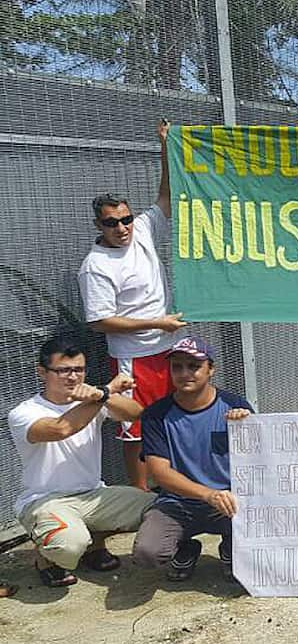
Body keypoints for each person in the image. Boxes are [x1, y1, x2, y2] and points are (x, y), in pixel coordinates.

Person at [77, 121, 188, 489]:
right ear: (99, 225)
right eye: (112, 223)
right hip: (133, 359)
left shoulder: (142, 229)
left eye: (125, 219)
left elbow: (166, 198)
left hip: (168, 349)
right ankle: (140, 501)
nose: (122, 228)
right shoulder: (96, 266)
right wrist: (156, 323)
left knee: (174, 419)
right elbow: (99, 321)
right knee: (135, 429)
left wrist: (165, 147)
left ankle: (174, 489)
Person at [8, 336, 154, 587]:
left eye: (79, 370)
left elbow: (135, 412)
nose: (73, 377)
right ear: (42, 372)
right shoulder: (24, 412)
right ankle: (46, 559)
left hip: (93, 494)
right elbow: (60, 429)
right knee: (68, 545)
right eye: (63, 370)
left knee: (159, 508)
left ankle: (94, 544)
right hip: (45, 501)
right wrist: (103, 394)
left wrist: (101, 395)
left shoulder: (93, 399)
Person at [132, 337, 254, 582]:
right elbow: (159, 473)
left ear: (211, 369)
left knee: (263, 527)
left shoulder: (235, 405)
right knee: (148, 553)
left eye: (194, 366)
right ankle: (185, 547)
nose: (185, 373)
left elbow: (261, 459)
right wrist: (208, 494)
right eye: (177, 366)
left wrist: (249, 426)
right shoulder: (156, 415)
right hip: (177, 503)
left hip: (229, 502)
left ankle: (232, 547)